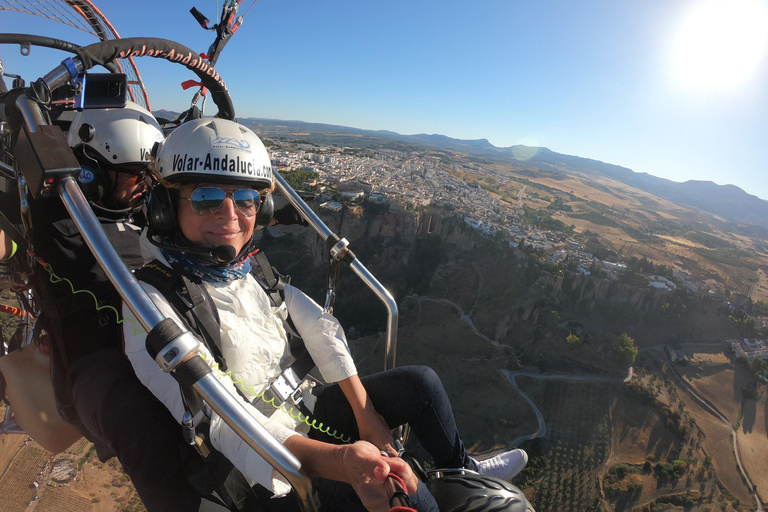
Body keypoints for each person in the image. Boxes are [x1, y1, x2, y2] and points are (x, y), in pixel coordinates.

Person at [123, 117, 528, 512]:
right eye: (206, 197)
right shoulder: (150, 302)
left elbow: (319, 326)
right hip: (262, 468)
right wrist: (341, 461)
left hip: (304, 409)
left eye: (245, 199)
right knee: (395, 490)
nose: (230, 215)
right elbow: (224, 421)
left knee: (421, 384)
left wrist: (364, 413)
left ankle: (460, 469)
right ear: (164, 207)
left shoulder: (247, 269)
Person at [0, 102, 210, 511]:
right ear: (92, 173)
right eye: (135, 176)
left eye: (150, 176)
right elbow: (8, 235)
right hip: (97, 356)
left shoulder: (149, 211)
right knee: (143, 430)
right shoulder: (50, 214)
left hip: (165, 328)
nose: (145, 186)